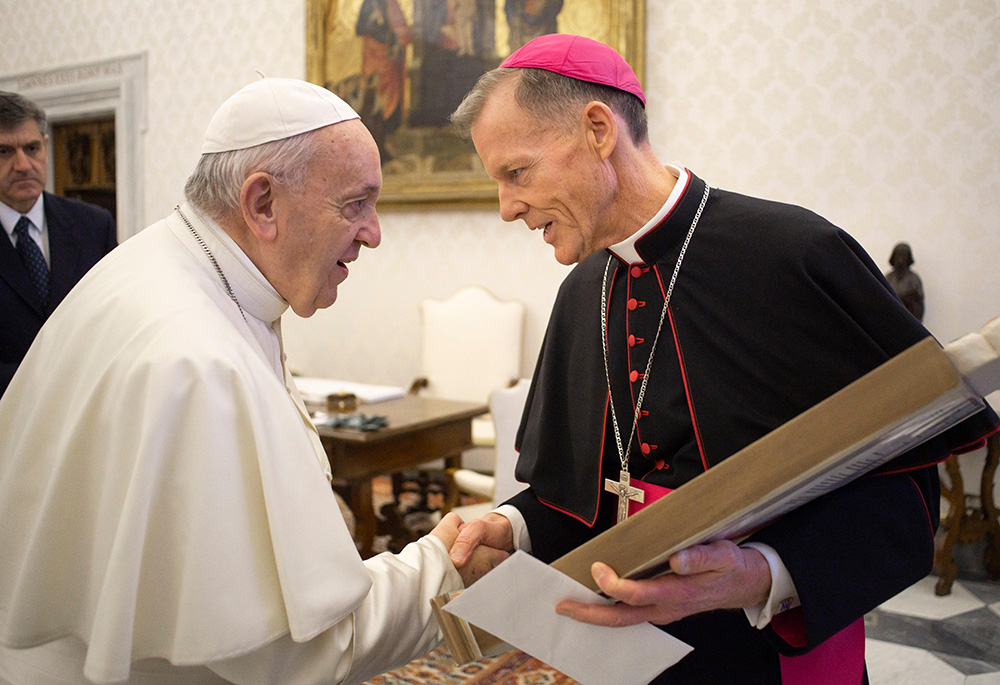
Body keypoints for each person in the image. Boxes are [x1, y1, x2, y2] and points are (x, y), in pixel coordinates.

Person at [447, 34, 999, 684]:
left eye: (517, 173)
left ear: (598, 130)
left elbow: (905, 497)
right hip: (619, 660)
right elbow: (578, 494)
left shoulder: (793, 255)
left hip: (763, 657)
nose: (506, 207)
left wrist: (762, 572)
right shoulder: (581, 292)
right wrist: (511, 525)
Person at [0, 77, 504, 685]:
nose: (374, 232)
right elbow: (299, 653)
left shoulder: (168, 268)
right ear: (262, 203)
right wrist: (441, 569)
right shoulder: (196, 362)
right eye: (355, 204)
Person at [0, 91, 117, 397]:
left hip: (85, 409)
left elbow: (116, 320)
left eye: (32, 147)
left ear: (47, 147)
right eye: (4, 151)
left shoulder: (94, 225)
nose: (23, 164)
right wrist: (48, 378)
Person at [885, 241, 925, 321]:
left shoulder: (914, 278)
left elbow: (918, 302)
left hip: (909, 320)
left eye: (904, 255)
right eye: (898, 255)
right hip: (890, 320)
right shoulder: (888, 278)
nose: (900, 259)